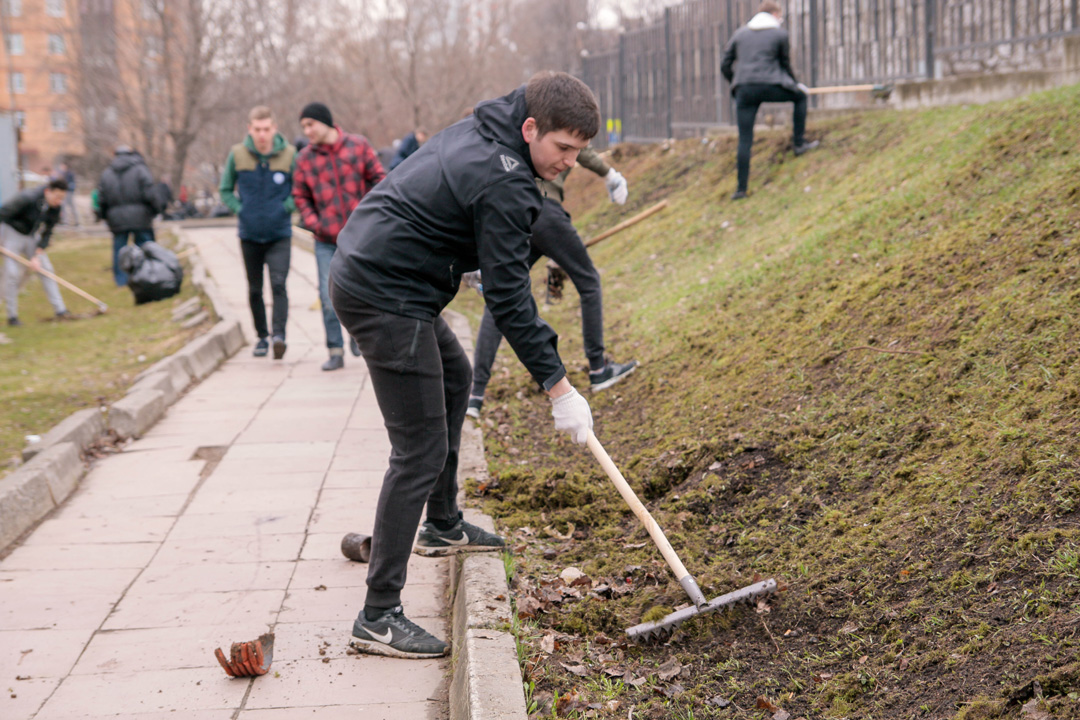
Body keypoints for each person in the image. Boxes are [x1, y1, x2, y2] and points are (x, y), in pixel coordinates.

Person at [329, 71, 599, 659]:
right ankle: (378, 615)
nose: (570, 163)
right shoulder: (502, 180)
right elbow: (507, 298)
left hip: (391, 275)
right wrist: (560, 388)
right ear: (531, 128)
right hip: (383, 290)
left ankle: (443, 521)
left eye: (579, 152)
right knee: (418, 449)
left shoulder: (494, 129)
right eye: (563, 149)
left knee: (454, 379)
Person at [466, 145, 637, 419]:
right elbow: (582, 150)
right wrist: (610, 174)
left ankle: (475, 395)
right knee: (589, 281)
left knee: (501, 294)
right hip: (545, 209)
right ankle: (598, 369)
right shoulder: (562, 123)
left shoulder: (521, 129)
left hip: (519, 214)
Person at [292, 102, 385, 370]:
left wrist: (369, 216)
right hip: (325, 240)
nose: (307, 131)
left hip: (361, 237)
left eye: (310, 124)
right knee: (327, 294)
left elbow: (380, 180)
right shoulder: (305, 159)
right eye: (304, 127)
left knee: (365, 291)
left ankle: (359, 338)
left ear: (325, 122)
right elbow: (300, 195)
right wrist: (315, 223)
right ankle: (335, 350)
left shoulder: (358, 146)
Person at [220, 106, 297, 359]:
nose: (262, 134)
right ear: (249, 129)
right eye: (257, 129)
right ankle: (262, 337)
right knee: (255, 288)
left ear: (274, 128)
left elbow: (299, 190)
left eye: (266, 129)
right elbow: (225, 189)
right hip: (249, 234)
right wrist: (240, 209)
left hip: (279, 233)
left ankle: (279, 336)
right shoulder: (237, 154)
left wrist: (285, 208)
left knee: (278, 284)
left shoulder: (289, 155)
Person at [721, 0, 819, 200]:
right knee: (800, 97)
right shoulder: (779, 34)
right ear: (775, 14)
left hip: (745, 90)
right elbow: (784, 64)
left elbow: (725, 63)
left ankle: (741, 189)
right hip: (771, 85)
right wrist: (795, 84)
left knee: (745, 139)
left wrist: (736, 83)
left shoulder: (740, 33)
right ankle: (799, 144)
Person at [0, 178, 71, 325]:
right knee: (12, 274)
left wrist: (37, 255)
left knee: (46, 269)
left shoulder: (56, 207)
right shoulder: (27, 198)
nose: (59, 201)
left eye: (62, 198)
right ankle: (12, 316)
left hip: (31, 236)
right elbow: (3, 213)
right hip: (12, 233)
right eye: (57, 197)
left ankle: (61, 310)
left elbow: (47, 232)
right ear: (47, 192)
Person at [97, 146, 163, 285]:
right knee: (145, 247)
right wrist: (157, 210)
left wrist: (103, 216)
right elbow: (150, 193)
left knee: (119, 250)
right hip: (141, 217)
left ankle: (121, 280)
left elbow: (102, 199)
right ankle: (148, 276)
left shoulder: (107, 173)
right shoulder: (140, 169)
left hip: (117, 219)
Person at [56, 162, 79, 226]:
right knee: (64, 206)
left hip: (69, 192)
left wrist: (67, 187)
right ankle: (65, 221)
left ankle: (76, 221)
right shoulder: (62, 174)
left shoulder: (69, 174)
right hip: (64, 192)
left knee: (71, 206)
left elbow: (72, 183)